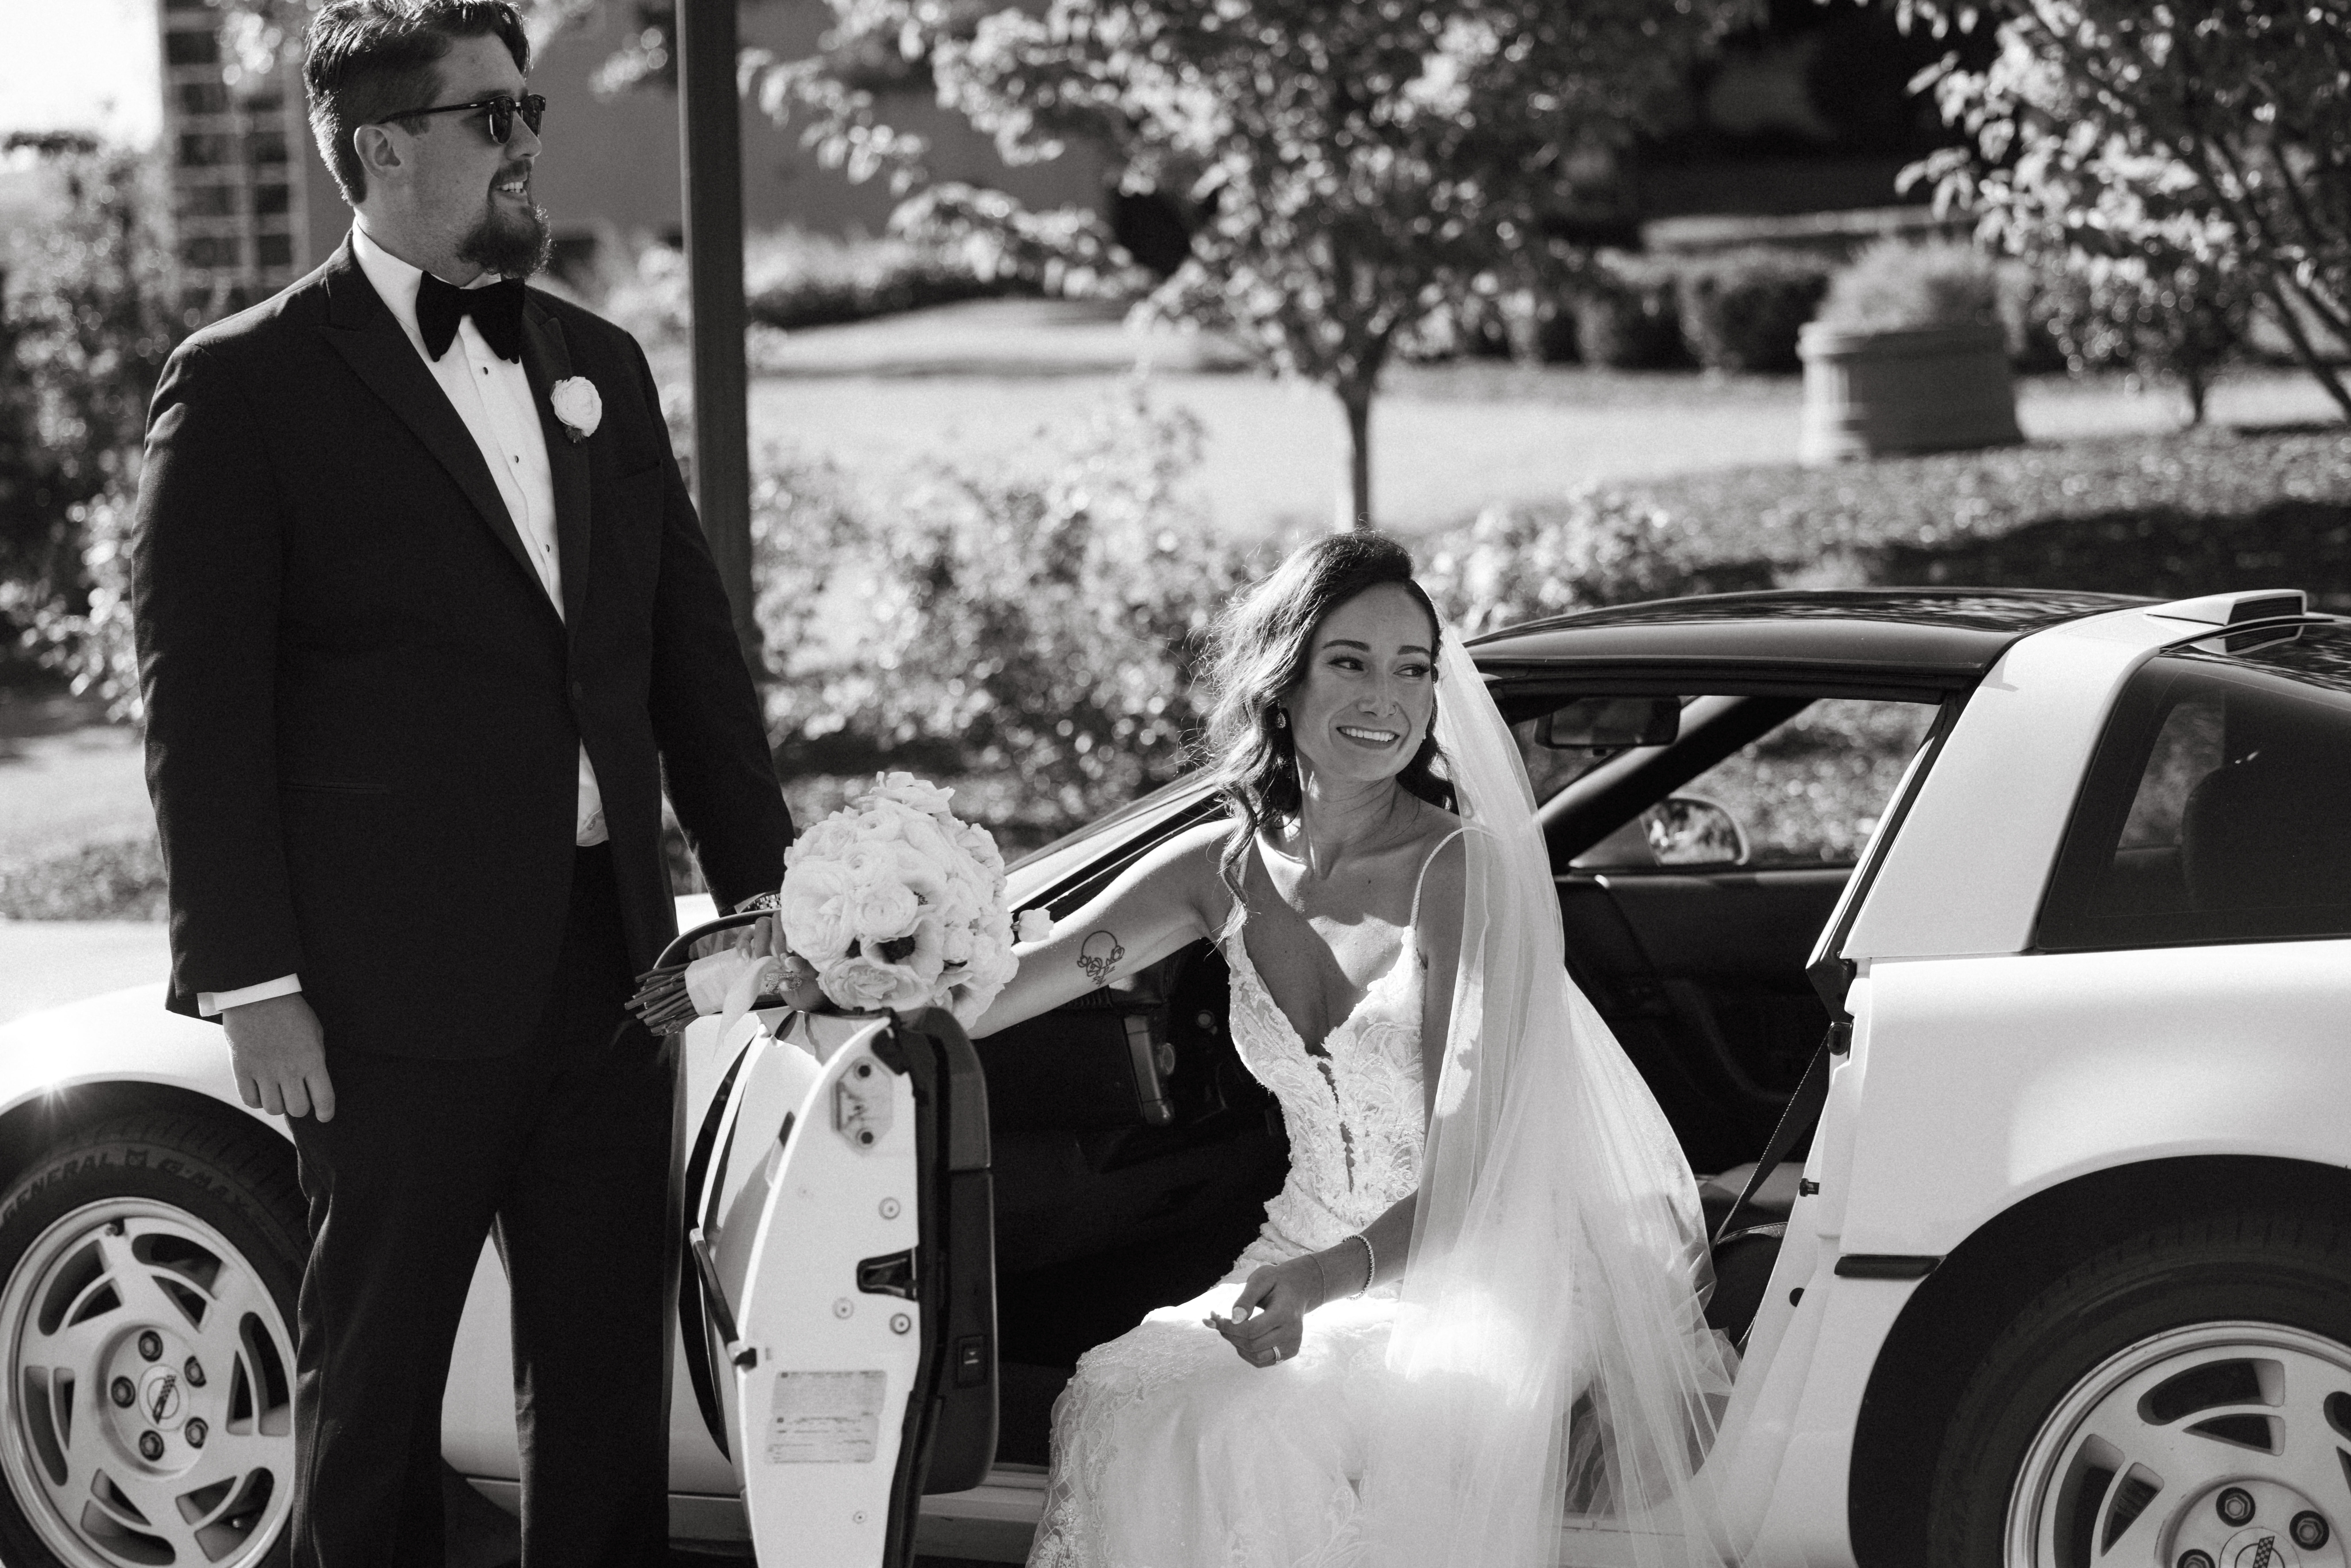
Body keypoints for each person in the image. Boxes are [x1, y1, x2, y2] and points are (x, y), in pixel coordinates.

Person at [130, 3, 792, 1562]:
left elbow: (689, 662)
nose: (524, 143)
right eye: (490, 116)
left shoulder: (601, 369)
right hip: (378, 998)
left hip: (618, 973)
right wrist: (252, 982)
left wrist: (772, 894)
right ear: (381, 151)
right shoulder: (243, 387)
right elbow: (199, 715)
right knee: (375, 1390)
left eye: (530, 112)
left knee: (605, 1390)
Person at [974, 533, 1737, 1568]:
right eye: (1351, 662)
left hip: (1486, 1261)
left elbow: (1479, 1174)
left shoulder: (1461, 874)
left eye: (1413, 669)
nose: (1389, 696)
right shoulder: (1225, 867)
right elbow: (1028, 972)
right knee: (1122, 1390)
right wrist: (852, 969)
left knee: (1257, 1428)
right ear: (1280, 682)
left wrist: (1327, 1281)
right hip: (1304, 1248)